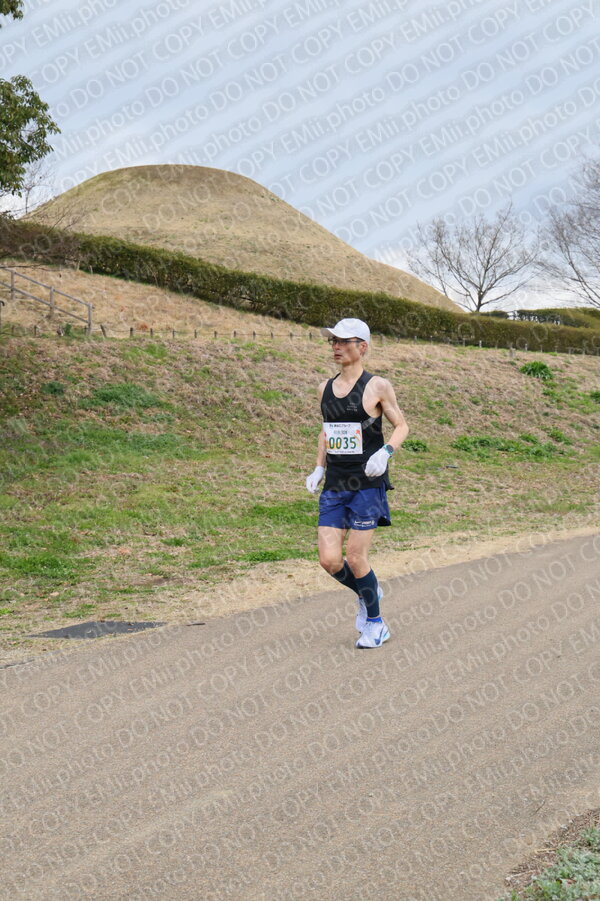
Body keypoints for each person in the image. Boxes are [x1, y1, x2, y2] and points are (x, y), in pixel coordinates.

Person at [305, 318, 409, 648]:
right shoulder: (324, 388)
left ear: (362, 347)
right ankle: (368, 590)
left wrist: (386, 452)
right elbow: (326, 432)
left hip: (367, 484)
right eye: (333, 341)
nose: (335, 347)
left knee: (355, 558)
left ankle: (376, 624)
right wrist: (318, 468)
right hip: (335, 485)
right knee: (329, 560)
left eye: (343, 341)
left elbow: (402, 425)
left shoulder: (377, 386)